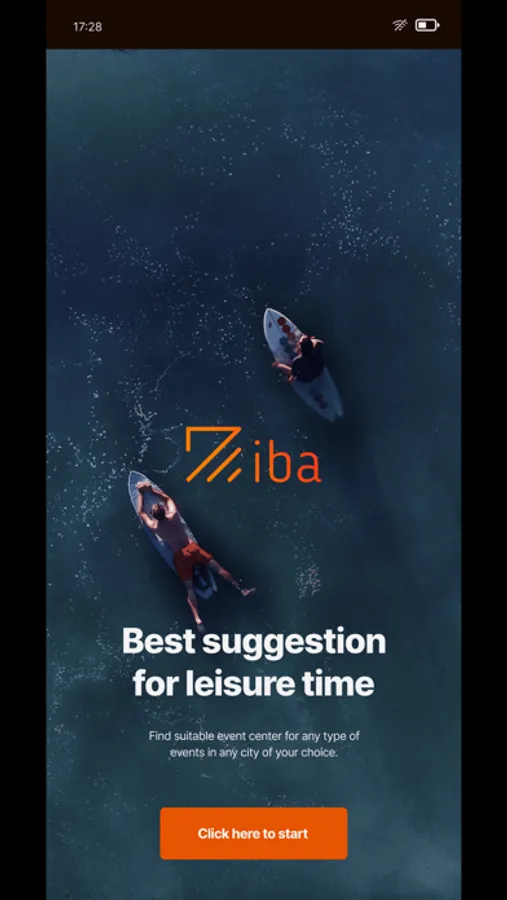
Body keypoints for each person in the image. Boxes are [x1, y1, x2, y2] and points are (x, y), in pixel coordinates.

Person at [136, 481, 255, 633]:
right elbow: (167, 499)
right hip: (193, 549)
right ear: (164, 511)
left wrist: (141, 493)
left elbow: (141, 512)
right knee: (218, 568)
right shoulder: (173, 516)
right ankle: (240, 589)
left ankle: (198, 619)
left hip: (180, 556)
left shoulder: (154, 526)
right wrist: (152, 491)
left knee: (190, 588)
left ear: (154, 516)